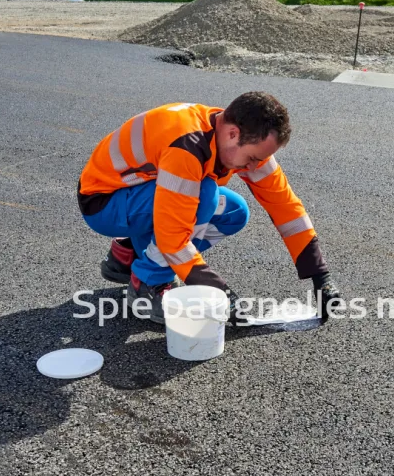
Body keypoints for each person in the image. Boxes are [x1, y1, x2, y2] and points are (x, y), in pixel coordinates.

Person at [77, 91, 341, 324]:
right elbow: (173, 239)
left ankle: (130, 253)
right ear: (233, 134)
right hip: (105, 203)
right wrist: (220, 293)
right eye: (251, 158)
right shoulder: (187, 146)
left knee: (234, 212)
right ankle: (147, 284)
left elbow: (284, 206)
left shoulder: (240, 134)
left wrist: (320, 275)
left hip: (139, 196)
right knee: (204, 195)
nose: (253, 167)